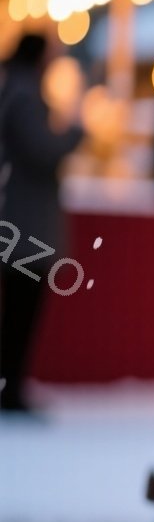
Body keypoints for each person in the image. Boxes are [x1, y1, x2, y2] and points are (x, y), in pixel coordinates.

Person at [0, 34, 84, 415]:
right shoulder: (25, 95)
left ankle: (11, 386)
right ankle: (11, 389)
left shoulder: (11, 89)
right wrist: (75, 131)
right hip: (24, 228)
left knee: (16, 311)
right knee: (20, 313)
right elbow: (43, 151)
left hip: (15, 220)